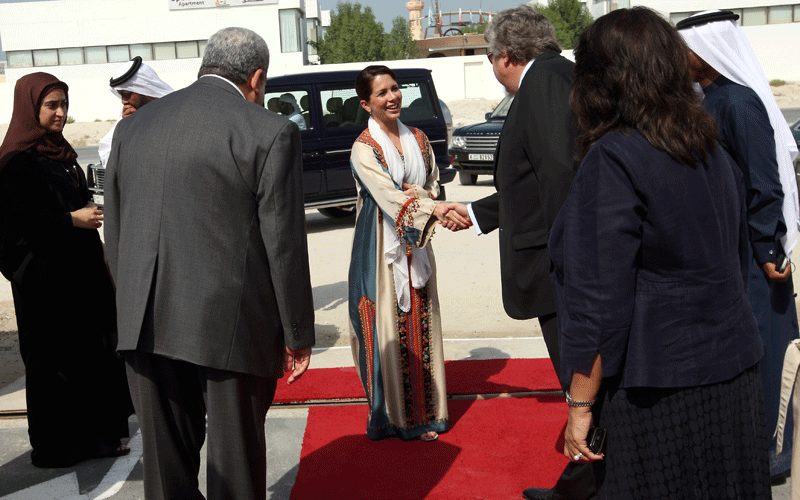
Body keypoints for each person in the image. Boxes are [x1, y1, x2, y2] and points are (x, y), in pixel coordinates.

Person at [551, 7, 770, 498]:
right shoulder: (708, 146)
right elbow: (735, 260)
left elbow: (599, 299)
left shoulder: (614, 157)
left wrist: (580, 405)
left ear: (599, 80)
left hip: (657, 388)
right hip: (733, 371)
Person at [104, 27, 315, 500]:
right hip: (228, 328)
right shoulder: (269, 130)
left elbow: (115, 232)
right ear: (256, 78)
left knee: (165, 473)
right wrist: (297, 332)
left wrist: (131, 302)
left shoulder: (132, 127)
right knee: (235, 470)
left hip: (143, 321)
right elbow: (282, 243)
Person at [443, 6, 586, 498]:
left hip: (559, 268)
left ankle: (587, 486)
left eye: (488, 57)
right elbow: (533, 182)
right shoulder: (558, 74)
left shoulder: (542, 83)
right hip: (560, 258)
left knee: (582, 385)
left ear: (504, 54)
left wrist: (571, 260)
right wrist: (476, 211)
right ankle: (586, 482)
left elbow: (559, 175)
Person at [678, 10, 800, 479]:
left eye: (685, 50)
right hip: (730, 251)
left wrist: (768, 248)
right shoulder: (712, 100)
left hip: (755, 254)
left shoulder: (738, 103)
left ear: (708, 51)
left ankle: (774, 453)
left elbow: (765, 183)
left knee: (766, 348)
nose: (679, 59)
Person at [0, 72, 133, 468]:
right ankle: (56, 446)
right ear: (30, 108)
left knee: (92, 354)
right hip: (44, 284)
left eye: (63, 104)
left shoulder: (61, 152)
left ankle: (99, 438)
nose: (60, 112)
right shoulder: (14, 162)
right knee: (52, 363)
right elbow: (13, 226)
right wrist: (70, 220)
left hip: (82, 276)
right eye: (51, 105)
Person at [348, 65, 470, 442]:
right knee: (385, 324)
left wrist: (426, 199)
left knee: (422, 317)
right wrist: (431, 206)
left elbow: (431, 183)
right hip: (379, 244)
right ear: (366, 104)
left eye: (395, 88)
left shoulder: (419, 138)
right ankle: (392, 417)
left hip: (417, 239)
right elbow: (387, 195)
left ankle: (427, 412)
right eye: (382, 93)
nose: (393, 97)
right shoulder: (363, 148)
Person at [97, 56, 173, 166]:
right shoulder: (128, 114)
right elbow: (107, 155)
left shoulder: (172, 108)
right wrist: (125, 129)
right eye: (121, 95)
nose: (123, 101)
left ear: (144, 90)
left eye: (127, 95)